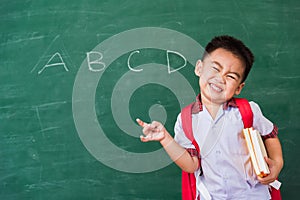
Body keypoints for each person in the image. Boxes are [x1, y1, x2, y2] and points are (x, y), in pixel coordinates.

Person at [136, 35, 283, 200]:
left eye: (231, 76)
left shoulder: (248, 110)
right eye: (215, 68)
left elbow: (270, 135)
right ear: (199, 68)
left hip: (253, 195)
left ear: (238, 88)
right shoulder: (186, 120)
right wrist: (165, 138)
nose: (220, 79)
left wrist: (277, 163)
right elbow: (191, 165)